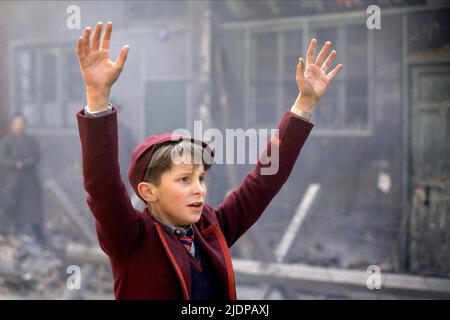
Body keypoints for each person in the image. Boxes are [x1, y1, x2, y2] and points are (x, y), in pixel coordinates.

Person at [76, 21, 342, 300]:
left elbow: (265, 180)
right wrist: (97, 97)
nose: (199, 190)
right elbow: (102, 185)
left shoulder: (212, 228)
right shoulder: (130, 238)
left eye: (200, 178)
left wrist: (304, 104)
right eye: (184, 179)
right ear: (147, 191)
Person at [0, 113, 43, 241]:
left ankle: (36, 234)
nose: (19, 126)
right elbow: (3, 158)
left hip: (29, 180)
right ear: (12, 125)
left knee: (31, 207)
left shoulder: (31, 140)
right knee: (10, 204)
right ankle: (7, 232)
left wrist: (25, 164)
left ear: (24, 125)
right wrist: (15, 164)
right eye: (16, 124)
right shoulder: (7, 141)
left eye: (21, 124)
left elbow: (37, 156)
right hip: (13, 179)